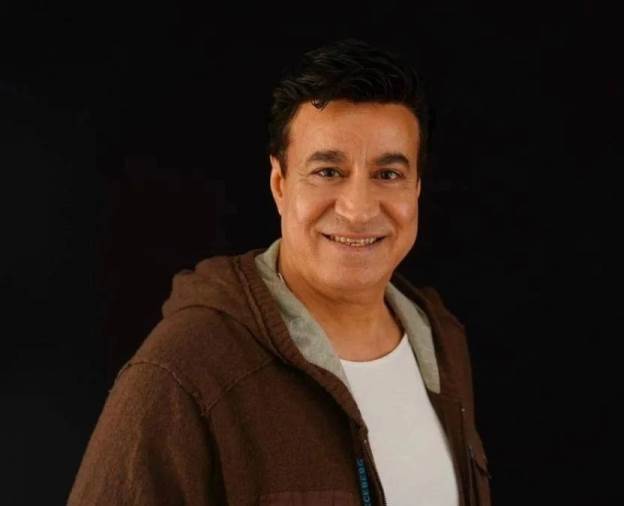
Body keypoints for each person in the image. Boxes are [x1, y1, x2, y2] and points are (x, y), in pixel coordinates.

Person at [68, 38, 491, 506]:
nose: (358, 209)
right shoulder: (185, 368)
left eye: (387, 174)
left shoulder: (441, 342)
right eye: (327, 171)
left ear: (416, 189)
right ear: (280, 185)